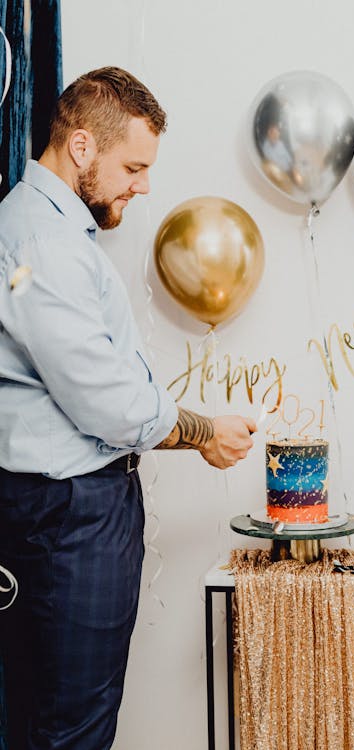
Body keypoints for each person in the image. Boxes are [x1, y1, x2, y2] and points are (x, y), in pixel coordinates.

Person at [0, 66, 256, 750]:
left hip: (75, 513)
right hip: (65, 519)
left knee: (68, 714)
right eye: (133, 166)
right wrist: (203, 433)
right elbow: (108, 403)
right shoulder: (41, 242)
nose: (141, 186)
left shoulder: (55, 232)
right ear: (81, 148)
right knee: (69, 728)